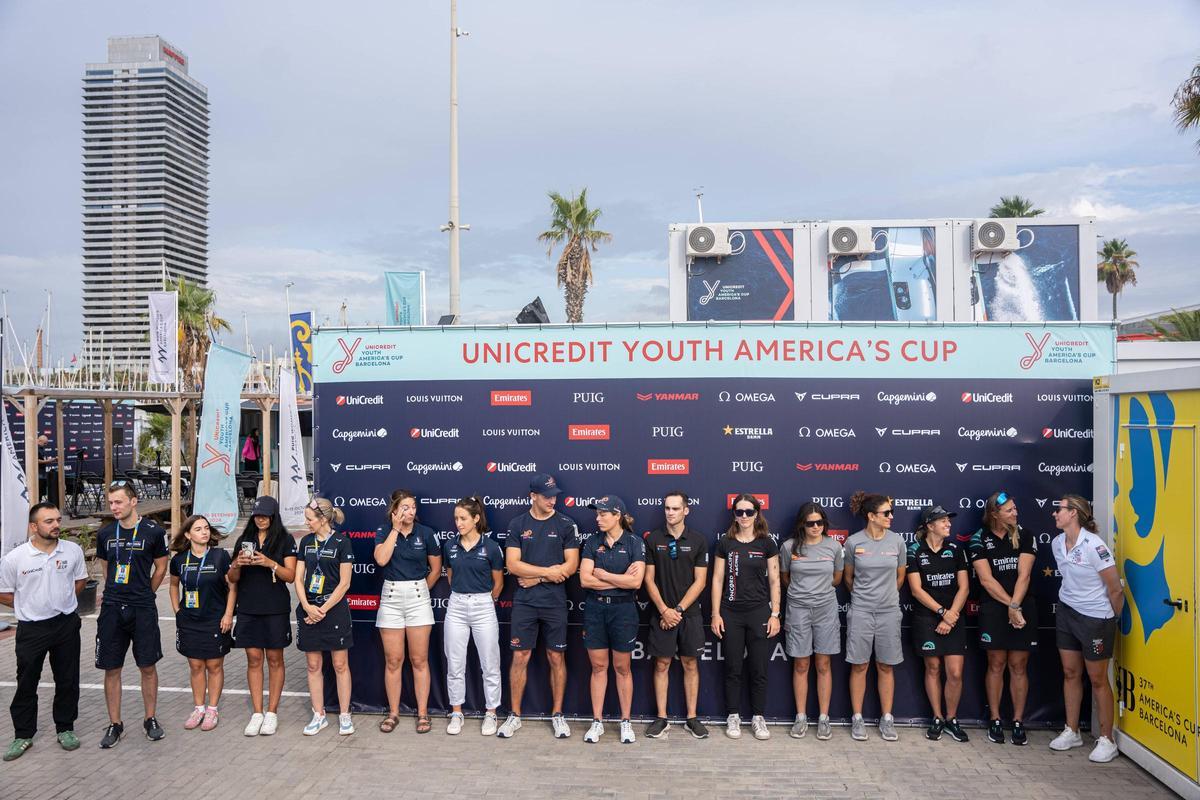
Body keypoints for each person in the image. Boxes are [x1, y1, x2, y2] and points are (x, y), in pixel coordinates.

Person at [0, 503, 88, 760]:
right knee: (27, 681)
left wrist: (63, 600)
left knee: (68, 679)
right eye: (48, 521)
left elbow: (80, 580)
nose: (56, 525)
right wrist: (27, 604)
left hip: (65, 624)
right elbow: (4, 592)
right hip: (31, 629)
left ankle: (65, 728)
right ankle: (23, 734)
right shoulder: (16, 558)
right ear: (33, 526)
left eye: (57, 520)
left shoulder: (72, 550)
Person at [498, 473, 580, 739]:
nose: (552, 500)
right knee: (520, 656)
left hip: (554, 602)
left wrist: (537, 577)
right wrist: (546, 572)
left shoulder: (566, 524)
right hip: (525, 603)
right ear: (532, 496)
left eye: (555, 495)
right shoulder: (517, 524)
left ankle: (558, 715)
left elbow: (571, 566)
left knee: (556, 656)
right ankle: (515, 715)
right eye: (547, 496)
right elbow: (512, 565)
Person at [94, 480, 169, 748]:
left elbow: (161, 568)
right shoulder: (105, 534)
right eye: (111, 502)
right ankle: (115, 723)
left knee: (147, 665)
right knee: (111, 667)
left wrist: (145, 592)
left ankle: (150, 718)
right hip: (113, 608)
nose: (113, 507)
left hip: (142, 608)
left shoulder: (153, 532)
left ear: (133, 501)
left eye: (118, 502)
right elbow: (106, 569)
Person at [1049, 495, 1123, 763]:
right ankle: (1072, 731)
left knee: (1098, 679)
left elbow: (1115, 588)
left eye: (1060, 510)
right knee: (1070, 672)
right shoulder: (1058, 543)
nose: (1055, 514)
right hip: (1067, 613)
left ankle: (1107, 739)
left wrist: (1110, 619)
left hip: (1095, 618)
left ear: (1074, 514)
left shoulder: (1095, 546)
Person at [968, 490, 1038, 746]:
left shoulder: (1026, 534)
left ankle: (1018, 722)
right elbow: (986, 580)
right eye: (1009, 510)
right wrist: (1010, 606)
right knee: (996, 664)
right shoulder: (978, 539)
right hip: (995, 609)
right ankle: (995, 719)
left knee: (1018, 665)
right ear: (994, 514)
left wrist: (1016, 605)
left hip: (1021, 606)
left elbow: (1025, 575)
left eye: (1015, 508)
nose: (1015, 513)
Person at [711, 493, 781, 741]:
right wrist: (716, 613)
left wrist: (775, 614)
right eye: (739, 512)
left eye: (748, 512)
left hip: (759, 612)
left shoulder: (767, 544)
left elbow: (775, 580)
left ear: (756, 514)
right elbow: (718, 579)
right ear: (734, 515)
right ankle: (733, 715)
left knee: (759, 668)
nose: (744, 517)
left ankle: (758, 717)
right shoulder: (725, 543)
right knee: (732, 667)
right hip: (730, 612)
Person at [227, 496, 297, 736]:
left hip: (275, 607)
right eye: (257, 515)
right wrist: (237, 563)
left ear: (274, 516)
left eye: (265, 515)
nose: (261, 519)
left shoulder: (285, 540)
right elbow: (232, 579)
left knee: (275, 659)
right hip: (248, 607)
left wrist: (269, 563)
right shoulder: (244, 540)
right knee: (254, 659)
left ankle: (272, 712)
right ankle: (257, 712)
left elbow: (290, 576)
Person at [643, 490, 710, 740]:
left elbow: (700, 581)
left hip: (688, 615)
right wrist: (664, 610)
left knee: (690, 663)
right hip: (661, 613)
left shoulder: (699, 540)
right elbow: (648, 579)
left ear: (686, 510)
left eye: (675, 508)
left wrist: (678, 610)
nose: (670, 512)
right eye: (667, 508)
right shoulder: (653, 539)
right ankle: (662, 718)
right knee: (661, 664)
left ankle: (692, 718)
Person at [374, 489, 441, 734]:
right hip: (390, 598)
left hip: (418, 598)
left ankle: (423, 714)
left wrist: (421, 589)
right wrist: (394, 528)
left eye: (413, 507)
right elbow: (381, 560)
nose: (410, 511)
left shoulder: (427, 533)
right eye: (405, 507)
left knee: (419, 659)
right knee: (393, 661)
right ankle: (393, 713)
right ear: (394, 510)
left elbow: (435, 568)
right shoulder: (383, 531)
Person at [579, 495, 646, 744]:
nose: (598, 518)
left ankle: (625, 722)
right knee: (598, 667)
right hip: (595, 610)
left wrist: (604, 575)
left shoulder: (634, 543)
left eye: (603, 514)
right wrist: (620, 580)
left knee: (622, 668)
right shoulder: (591, 542)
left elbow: (635, 583)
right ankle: (597, 722)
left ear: (617, 515)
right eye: (596, 514)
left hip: (624, 611)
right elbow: (585, 580)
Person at [844, 491, 906, 742]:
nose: (891, 516)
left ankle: (887, 718)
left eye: (891, 512)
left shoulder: (897, 542)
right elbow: (848, 578)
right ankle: (857, 718)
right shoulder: (853, 542)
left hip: (889, 611)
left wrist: (885, 598)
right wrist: (865, 598)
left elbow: (900, 577)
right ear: (871, 516)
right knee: (860, 665)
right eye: (886, 513)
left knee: (885, 665)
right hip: (860, 611)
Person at [779, 501, 843, 741]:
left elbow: (837, 578)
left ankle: (824, 718)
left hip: (826, 609)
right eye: (810, 523)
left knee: (823, 664)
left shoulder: (834, 547)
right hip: (797, 609)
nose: (816, 527)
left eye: (820, 522)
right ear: (802, 525)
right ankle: (801, 717)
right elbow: (785, 577)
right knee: (801, 664)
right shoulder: (788, 547)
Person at [441, 496, 504, 736]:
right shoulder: (450, 546)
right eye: (456, 518)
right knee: (455, 664)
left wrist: (484, 600)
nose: (458, 522)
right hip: (456, 605)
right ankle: (457, 712)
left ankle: (491, 713)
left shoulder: (491, 547)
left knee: (490, 664)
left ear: (476, 519)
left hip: (483, 606)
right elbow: (450, 575)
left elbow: (498, 583)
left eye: (463, 518)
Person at [906, 505, 970, 743]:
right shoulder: (914, 550)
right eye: (942, 521)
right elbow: (915, 589)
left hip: (953, 618)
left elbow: (964, 587)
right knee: (932, 669)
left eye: (948, 520)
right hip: (927, 618)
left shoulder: (956, 550)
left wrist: (951, 615)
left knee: (954, 672)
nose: (948, 524)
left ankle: (952, 719)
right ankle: (937, 717)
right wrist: (942, 612)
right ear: (929, 526)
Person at [294, 497, 355, 736]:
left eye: (309, 519)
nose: (306, 523)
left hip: (334, 609)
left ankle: (344, 715)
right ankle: (318, 715)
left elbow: (344, 583)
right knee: (313, 665)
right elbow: (299, 578)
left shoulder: (342, 542)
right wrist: (308, 607)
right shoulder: (306, 542)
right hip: (310, 609)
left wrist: (323, 610)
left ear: (322, 519)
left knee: (340, 664)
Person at [168, 514, 235, 732]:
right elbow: (173, 586)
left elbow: (233, 587)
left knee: (214, 666)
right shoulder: (179, 560)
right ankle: (199, 708)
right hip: (190, 620)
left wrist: (228, 615)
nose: (204, 532)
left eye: (206, 528)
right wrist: (178, 611)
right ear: (188, 534)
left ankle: (212, 709)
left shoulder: (220, 556)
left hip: (215, 620)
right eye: (198, 529)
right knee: (196, 665)